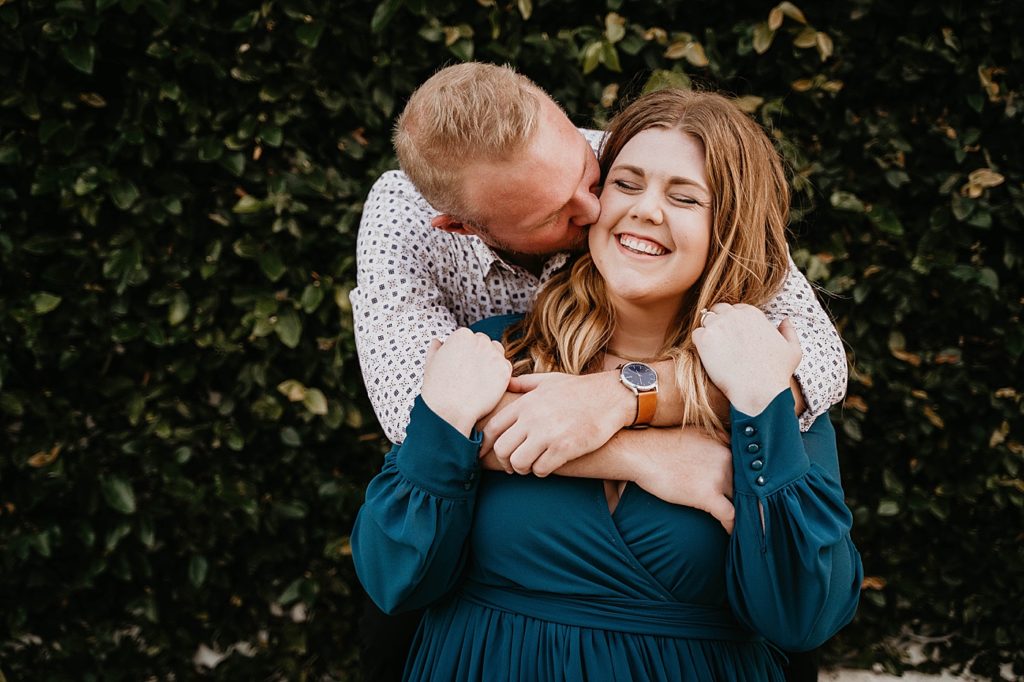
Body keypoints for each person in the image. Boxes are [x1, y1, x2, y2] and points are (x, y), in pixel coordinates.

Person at [351, 62, 847, 681]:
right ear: (463, 225)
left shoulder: (754, 377)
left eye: (595, 180)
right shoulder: (417, 239)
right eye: (624, 185)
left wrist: (639, 397)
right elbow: (409, 414)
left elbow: (819, 357)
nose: (599, 211)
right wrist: (646, 457)